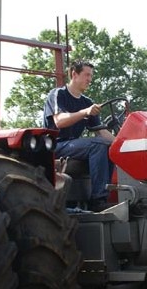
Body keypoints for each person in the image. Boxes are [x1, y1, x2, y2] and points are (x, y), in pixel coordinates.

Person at [44, 60, 115, 211]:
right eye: (86, 75)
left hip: (74, 147)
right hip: (56, 146)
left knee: (109, 146)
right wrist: (85, 112)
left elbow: (101, 131)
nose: (90, 79)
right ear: (74, 74)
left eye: (91, 76)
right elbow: (59, 121)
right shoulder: (58, 94)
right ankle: (98, 200)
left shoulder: (87, 102)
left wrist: (121, 144)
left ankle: (105, 194)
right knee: (98, 145)